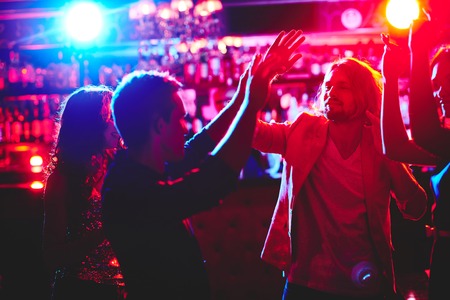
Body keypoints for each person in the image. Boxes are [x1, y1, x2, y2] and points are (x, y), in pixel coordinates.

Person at [101, 30, 306, 299]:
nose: (185, 128)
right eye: (180, 119)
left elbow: (199, 147)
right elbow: (212, 181)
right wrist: (250, 104)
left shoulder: (139, 170)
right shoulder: (128, 190)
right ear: (159, 125)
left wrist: (241, 100)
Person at [252, 56, 428, 299]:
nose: (331, 92)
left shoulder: (379, 143)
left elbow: (417, 208)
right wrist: (255, 88)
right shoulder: (302, 130)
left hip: (367, 283)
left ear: (364, 94)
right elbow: (252, 133)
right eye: (328, 86)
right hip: (306, 281)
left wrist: (389, 154)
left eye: (343, 86)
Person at [380, 14, 450, 300]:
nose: (439, 92)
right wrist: (389, 79)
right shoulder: (444, 144)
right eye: (435, 84)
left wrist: (418, 50)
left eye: (447, 81)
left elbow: (421, 130)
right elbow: (394, 146)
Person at [42, 85, 126, 300]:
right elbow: (53, 255)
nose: (118, 124)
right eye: (110, 117)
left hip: (125, 288)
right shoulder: (62, 180)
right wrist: (106, 229)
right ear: (89, 125)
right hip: (80, 289)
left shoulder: (120, 167)